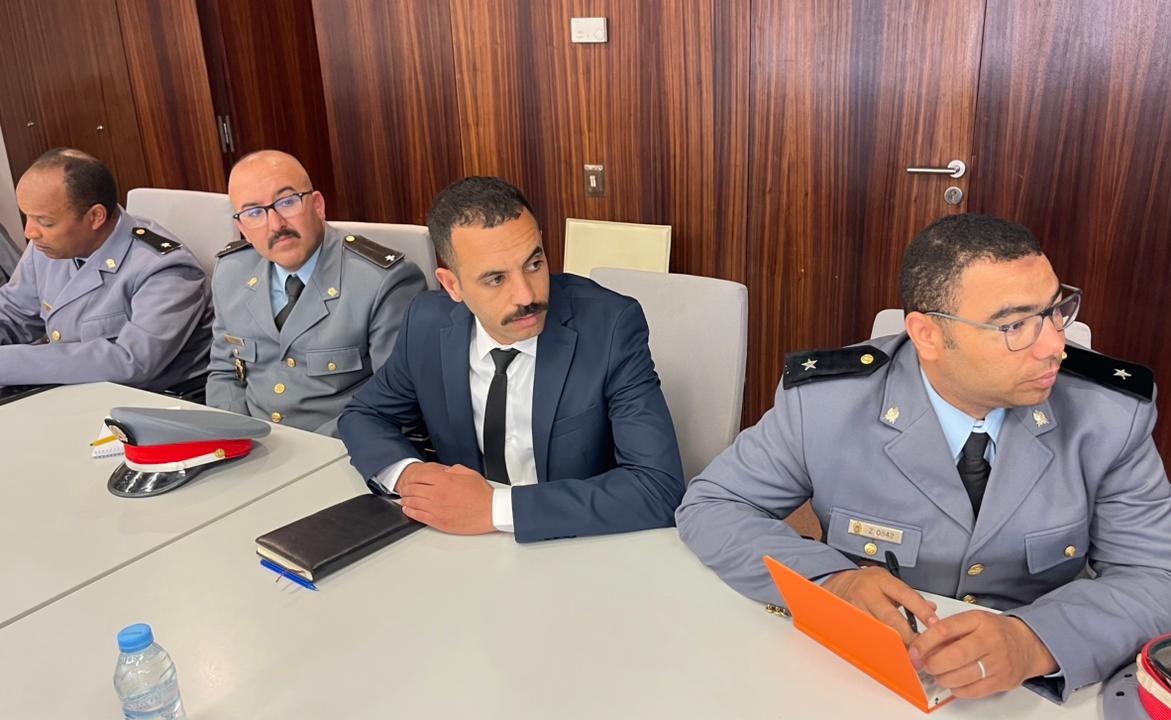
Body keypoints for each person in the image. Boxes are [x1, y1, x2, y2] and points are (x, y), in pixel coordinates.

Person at [676, 213, 1171, 702]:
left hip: (1026, 691)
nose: (1054, 345)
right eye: (1014, 325)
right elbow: (715, 505)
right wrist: (831, 581)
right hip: (861, 675)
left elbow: (1167, 580)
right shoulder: (826, 403)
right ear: (928, 335)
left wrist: (1035, 640)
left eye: (1055, 311)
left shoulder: (1108, 413)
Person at [338, 176, 683, 543]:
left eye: (533, 264)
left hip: (574, 542)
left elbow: (658, 487)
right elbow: (365, 415)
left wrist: (495, 509)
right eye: (495, 279)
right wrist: (410, 476)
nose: (526, 296)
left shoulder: (610, 327)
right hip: (459, 543)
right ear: (452, 285)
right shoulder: (426, 323)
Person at [206, 150, 427, 436]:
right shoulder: (231, 272)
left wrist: (310, 451)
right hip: (254, 445)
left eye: (287, 202)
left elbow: (397, 400)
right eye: (254, 213)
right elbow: (225, 372)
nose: (276, 225)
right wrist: (238, 436)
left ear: (318, 205)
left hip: (342, 447)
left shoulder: (382, 281)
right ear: (242, 229)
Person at [0, 148, 211, 390]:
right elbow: (14, 313)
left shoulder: (165, 268)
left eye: (45, 222)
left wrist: (6, 364)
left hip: (151, 399)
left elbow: (132, 361)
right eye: (27, 216)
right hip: (74, 389)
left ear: (95, 217)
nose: (29, 232)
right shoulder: (49, 246)